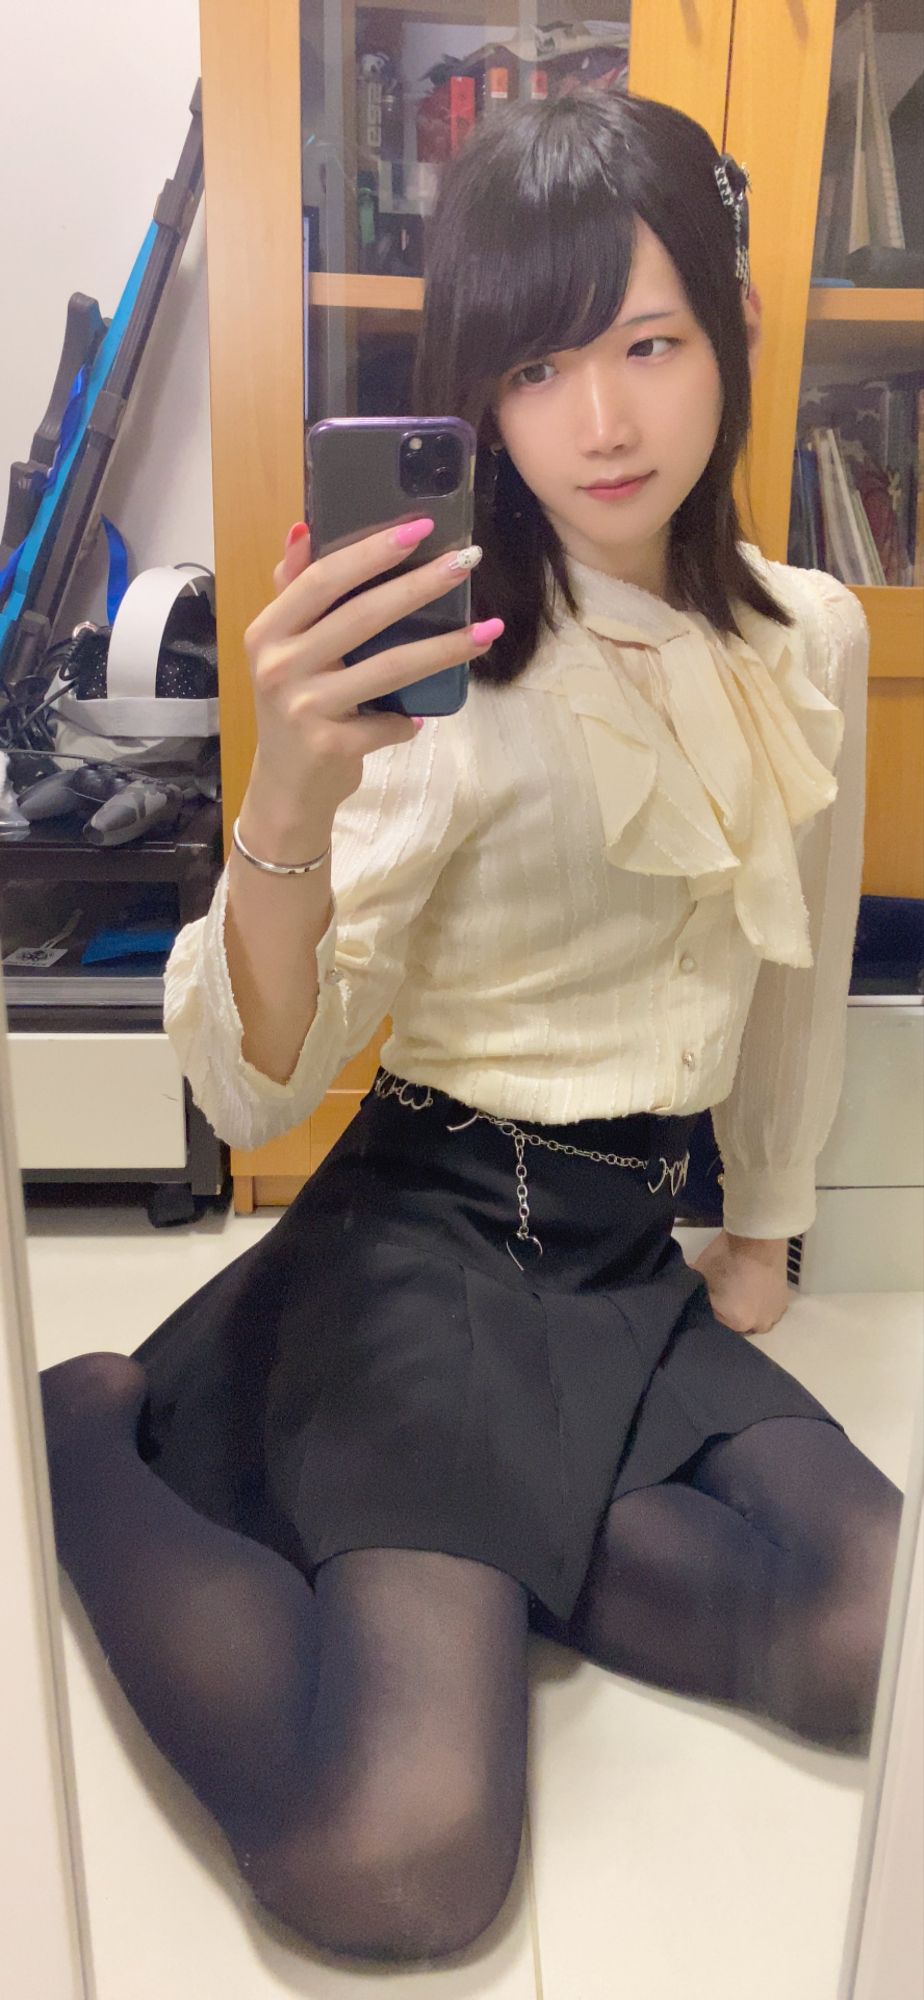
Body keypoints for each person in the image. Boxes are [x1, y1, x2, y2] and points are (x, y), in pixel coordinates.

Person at [39, 90, 903, 1970]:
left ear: (735, 333)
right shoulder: (437, 668)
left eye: (649, 344)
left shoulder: (810, 639)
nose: (601, 423)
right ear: (479, 399)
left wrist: (763, 1225)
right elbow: (252, 1083)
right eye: (535, 366)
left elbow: (800, 953)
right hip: (429, 1241)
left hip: (627, 1261)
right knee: (399, 1857)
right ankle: (87, 1433)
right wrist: (288, 795)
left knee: (877, 1644)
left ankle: (499, 1532)